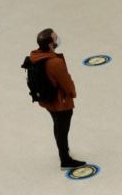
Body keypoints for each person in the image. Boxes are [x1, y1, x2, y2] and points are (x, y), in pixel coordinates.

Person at [27, 29, 86, 169]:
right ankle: (65, 159)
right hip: (61, 102)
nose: (57, 38)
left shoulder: (36, 56)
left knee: (57, 126)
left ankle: (63, 150)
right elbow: (66, 83)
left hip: (48, 101)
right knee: (62, 128)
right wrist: (73, 92)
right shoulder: (54, 63)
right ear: (50, 45)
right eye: (55, 38)